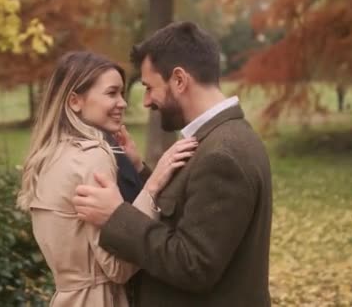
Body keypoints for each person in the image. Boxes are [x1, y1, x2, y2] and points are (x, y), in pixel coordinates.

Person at [73, 22, 273, 306]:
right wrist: (142, 170)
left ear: (179, 80)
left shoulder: (222, 154)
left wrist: (115, 216)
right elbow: (191, 208)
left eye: (149, 87)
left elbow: (194, 265)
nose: (145, 102)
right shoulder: (222, 137)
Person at [16, 51, 197, 307]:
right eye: (112, 93)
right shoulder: (93, 157)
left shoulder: (49, 155)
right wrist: (153, 184)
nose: (123, 103)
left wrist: (136, 167)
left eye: (122, 93)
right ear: (75, 101)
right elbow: (118, 268)